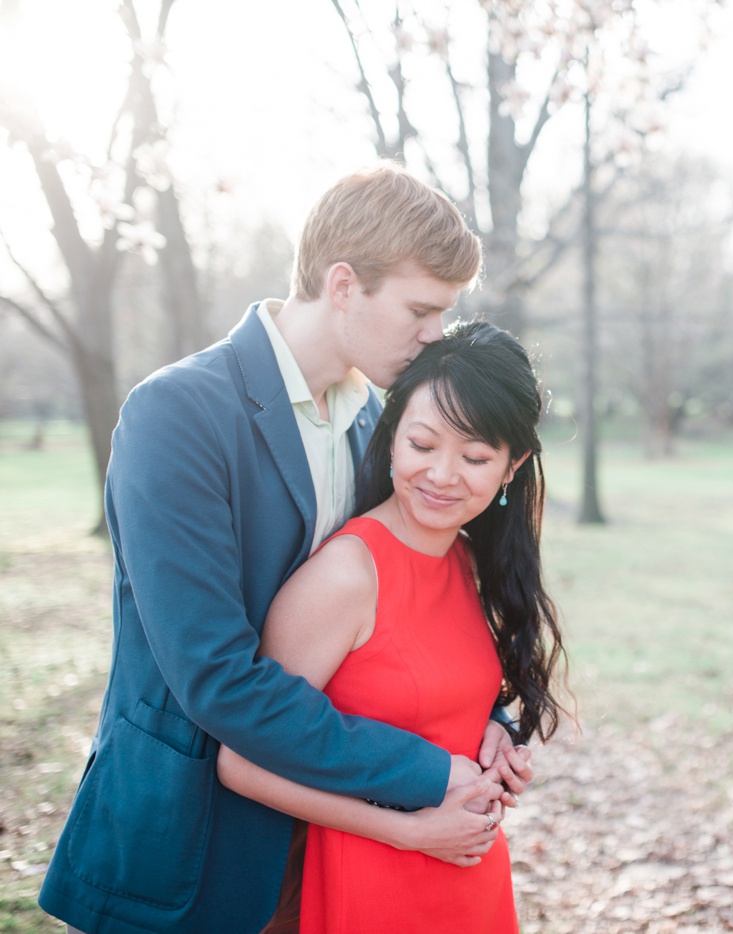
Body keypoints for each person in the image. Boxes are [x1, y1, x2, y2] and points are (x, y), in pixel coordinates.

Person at [39, 163, 531, 934]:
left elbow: (410, 610)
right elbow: (218, 679)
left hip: (337, 849)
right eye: (421, 309)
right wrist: (430, 771)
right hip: (187, 846)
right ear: (344, 286)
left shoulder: (381, 426)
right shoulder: (178, 415)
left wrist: (486, 722)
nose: (436, 335)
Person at [218, 321, 568, 932]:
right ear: (392, 434)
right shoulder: (345, 576)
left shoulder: (465, 559)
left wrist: (495, 735)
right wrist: (409, 832)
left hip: (468, 877)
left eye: (476, 457)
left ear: (512, 468)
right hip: (368, 881)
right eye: (423, 444)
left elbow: (424, 698)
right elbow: (241, 762)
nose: (441, 475)